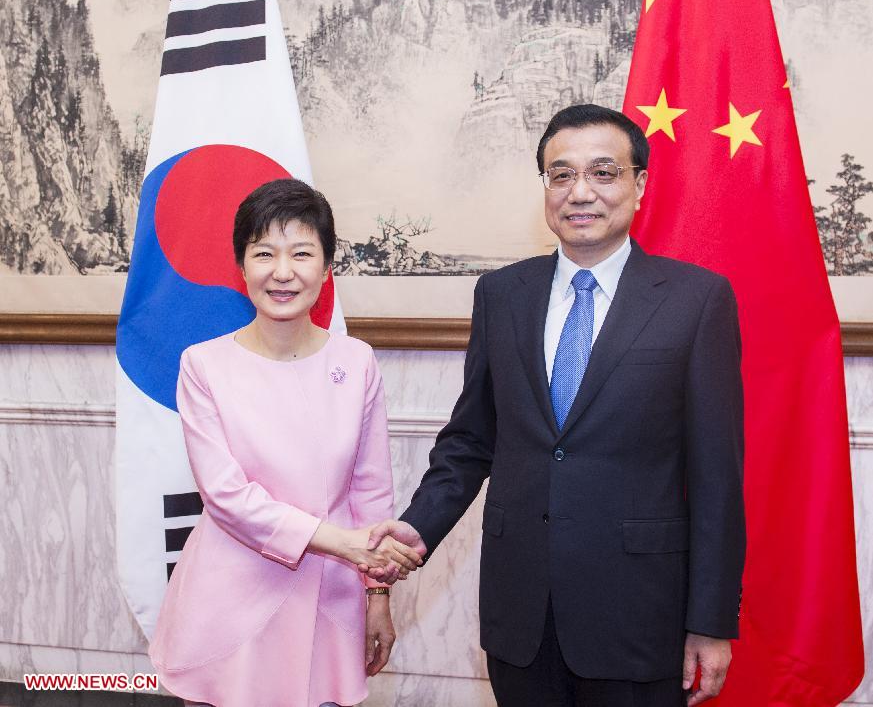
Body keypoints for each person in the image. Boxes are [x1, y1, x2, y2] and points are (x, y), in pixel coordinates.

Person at [365, 105, 746, 707]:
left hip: (640, 615)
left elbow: (717, 479)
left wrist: (712, 620)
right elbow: (471, 440)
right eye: (561, 175)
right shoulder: (502, 294)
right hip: (522, 615)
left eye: (603, 172)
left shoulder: (696, 301)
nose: (580, 192)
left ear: (638, 184)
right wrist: (417, 528)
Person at [149, 178, 422, 707]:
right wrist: (347, 545)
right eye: (264, 253)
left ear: (325, 268)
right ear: (242, 265)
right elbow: (227, 497)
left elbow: (371, 490)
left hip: (330, 592)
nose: (282, 272)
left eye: (301, 253)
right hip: (232, 594)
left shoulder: (356, 360)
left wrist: (378, 594)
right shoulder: (203, 365)